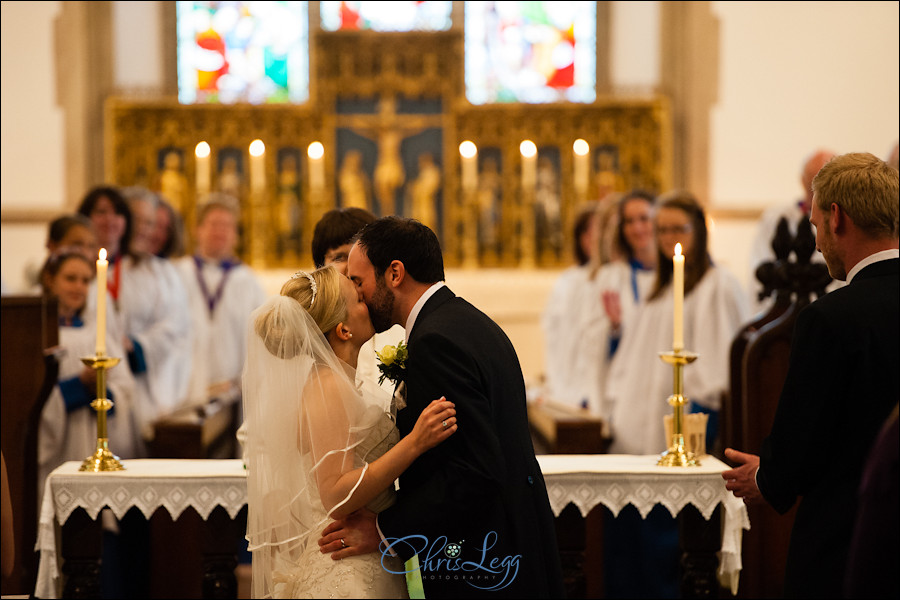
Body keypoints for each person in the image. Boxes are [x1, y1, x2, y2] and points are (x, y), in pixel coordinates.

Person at [320, 216, 565, 598]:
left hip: (482, 561)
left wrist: (385, 530)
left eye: (358, 281)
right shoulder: (466, 321)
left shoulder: (436, 342)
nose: (358, 295)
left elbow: (471, 473)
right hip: (508, 539)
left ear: (395, 273)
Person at [722, 152, 899, 598]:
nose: (818, 243)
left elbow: (804, 437)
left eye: (817, 226)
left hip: (850, 541)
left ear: (837, 217)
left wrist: (766, 477)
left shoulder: (831, 319)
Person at [242, 266, 458, 598]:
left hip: (365, 555)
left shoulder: (335, 381)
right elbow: (335, 495)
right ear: (343, 329)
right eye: (358, 298)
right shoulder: (327, 386)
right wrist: (415, 442)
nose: (368, 300)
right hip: (346, 571)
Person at [603, 191, 749, 598]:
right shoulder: (657, 289)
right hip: (639, 426)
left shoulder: (718, 285)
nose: (668, 236)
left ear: (698, 231)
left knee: (668, 536)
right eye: (661, 228)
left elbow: (722, 368)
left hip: (687, 424)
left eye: (677, 228)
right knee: (629, 529)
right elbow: (633, 359)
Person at [78, 185, 192, 455]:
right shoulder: (89, 267)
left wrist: (136, 346)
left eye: (151, 223)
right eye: (139, 220)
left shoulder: (158, 272)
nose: (145, 230)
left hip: (142, 384)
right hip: (88, 380)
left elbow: (175, 327)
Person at [37, 248, 138, 499]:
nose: (79, 287)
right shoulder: (35, 332)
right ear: (50, 280)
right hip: (54, 449)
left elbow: (125, 388)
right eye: (70, 278)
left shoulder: (96, 332)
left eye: (85, 280)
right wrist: (78, 386)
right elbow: (27, 396)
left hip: (91, 435)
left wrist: (100, 390)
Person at [175, 196, 265, 410]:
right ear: (198, 229)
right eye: (214, 224)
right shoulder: (179, 273)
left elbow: (262, 338)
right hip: (184, 393)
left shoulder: (248, 280)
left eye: (227, 226)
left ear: (235, 235)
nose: (220, 232)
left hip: (232, 394)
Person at [310, 207, 405, 394]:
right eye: (339, 257)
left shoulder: (397, 324)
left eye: (360, 255)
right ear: (319, 268)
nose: (350, 268)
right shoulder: (313, 339)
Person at [748, 149, 842, 312]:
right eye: (814, 181)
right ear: (803, 180)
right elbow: (762, 266)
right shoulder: (777, 217)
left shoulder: (844, 219)